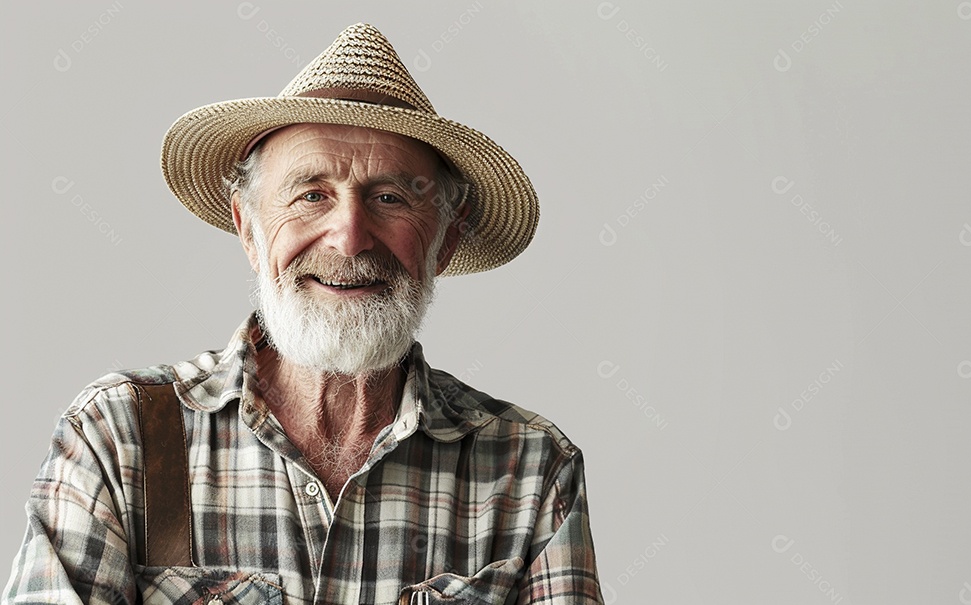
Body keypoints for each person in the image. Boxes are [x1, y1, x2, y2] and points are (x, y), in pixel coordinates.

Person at [4, 22, 602, 605]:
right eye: (311, 195)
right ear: (249, 227)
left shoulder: (529, 470)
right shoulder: (122, 437)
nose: (350, 237)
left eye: (389, 198)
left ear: (445, 239)